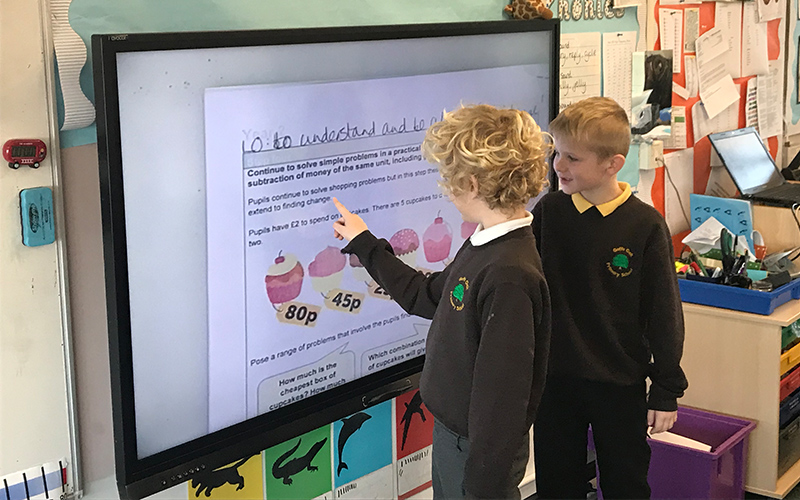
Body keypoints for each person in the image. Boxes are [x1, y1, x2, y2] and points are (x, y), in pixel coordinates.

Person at [331, 104, 552, 499]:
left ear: (470, 184)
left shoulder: (510, 275)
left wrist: (484, 485)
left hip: (479, 453)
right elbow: (426, 295)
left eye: (447, 178)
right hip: (457, 439)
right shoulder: (486, 244)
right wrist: (365, 244)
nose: (445, 190)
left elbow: (503, 401)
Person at [532, 96, 688, 499]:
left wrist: (666, 388)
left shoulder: (644, 225)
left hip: (619, 383)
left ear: (612, 164)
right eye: (556, 153)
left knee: (626, 483)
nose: (558, 166)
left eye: (572, 158)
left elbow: (664, 312)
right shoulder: (549, 213)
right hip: (556, 382)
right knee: (556, 484)